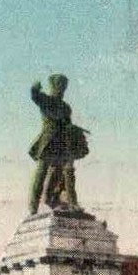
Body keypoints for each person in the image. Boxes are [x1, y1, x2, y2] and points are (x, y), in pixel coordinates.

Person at [27, 74, 89, 214]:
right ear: (53, 86)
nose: (61, 89)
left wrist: (73, 128)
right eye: (58, 86)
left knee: (63, 171)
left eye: (63, 87)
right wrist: (35, 88)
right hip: (48, 141)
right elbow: (35, 97)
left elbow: (67, 124)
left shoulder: (66, 107)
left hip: (61, 142)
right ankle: (33, 206)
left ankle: (62, 201)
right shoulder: (46, 100)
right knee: (41, 172)